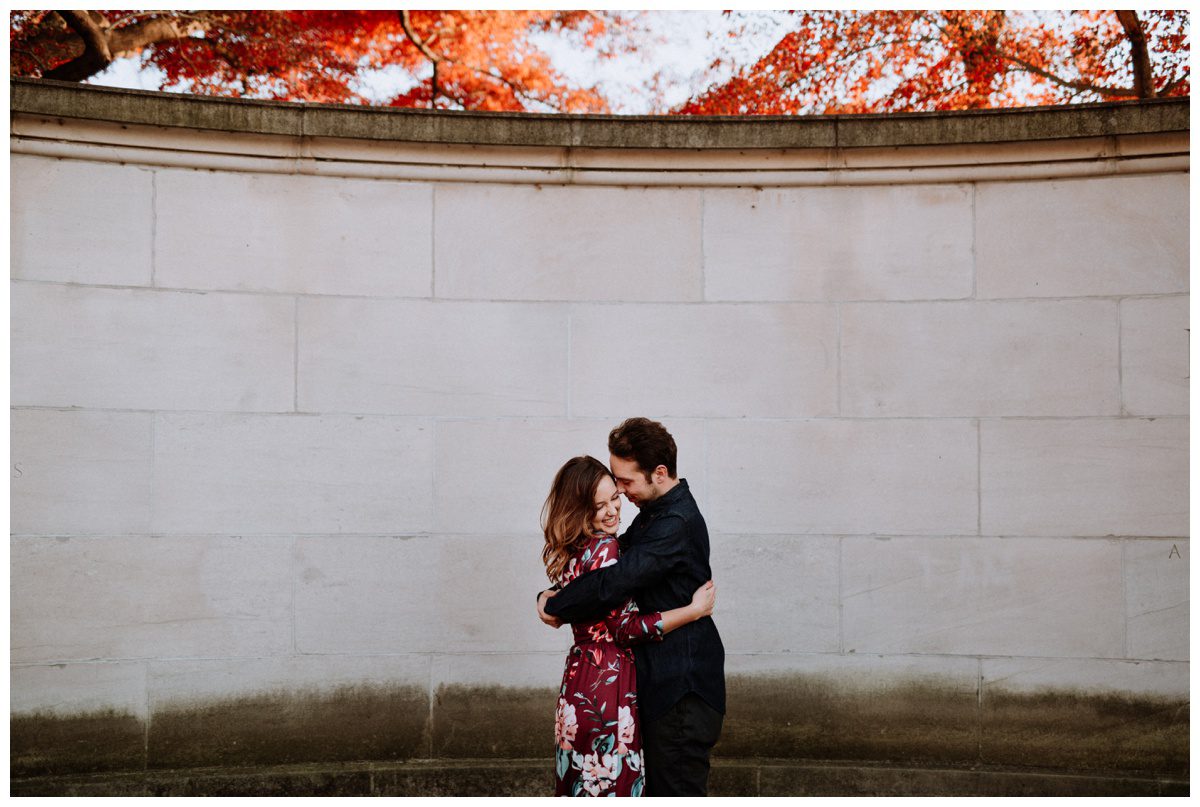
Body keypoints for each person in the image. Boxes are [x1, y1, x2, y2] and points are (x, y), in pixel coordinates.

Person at [538, 418, 726, 796]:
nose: (620, 493)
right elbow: (598, 572)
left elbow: (611, 583)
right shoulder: (652, 517)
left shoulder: (675, 523)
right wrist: (548, 596)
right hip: (658, 685)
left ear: (659, 473)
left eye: (624, 483)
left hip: (681, 689)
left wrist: (556, 605)